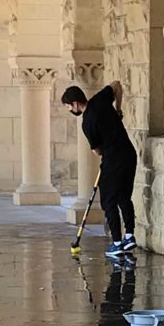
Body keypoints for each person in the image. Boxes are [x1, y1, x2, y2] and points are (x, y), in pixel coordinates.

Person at [62, 81, 138, 259]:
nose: (70, 111)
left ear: (75, 104)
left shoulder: (87, 123)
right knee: (124, 196)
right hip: (129, 154)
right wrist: (118, 110)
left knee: (109, 201)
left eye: (69, 107)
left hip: (113, 160)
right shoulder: (100, 99)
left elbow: (97, 151)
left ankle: (118, 243)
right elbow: (117, 85)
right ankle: (129, 235)